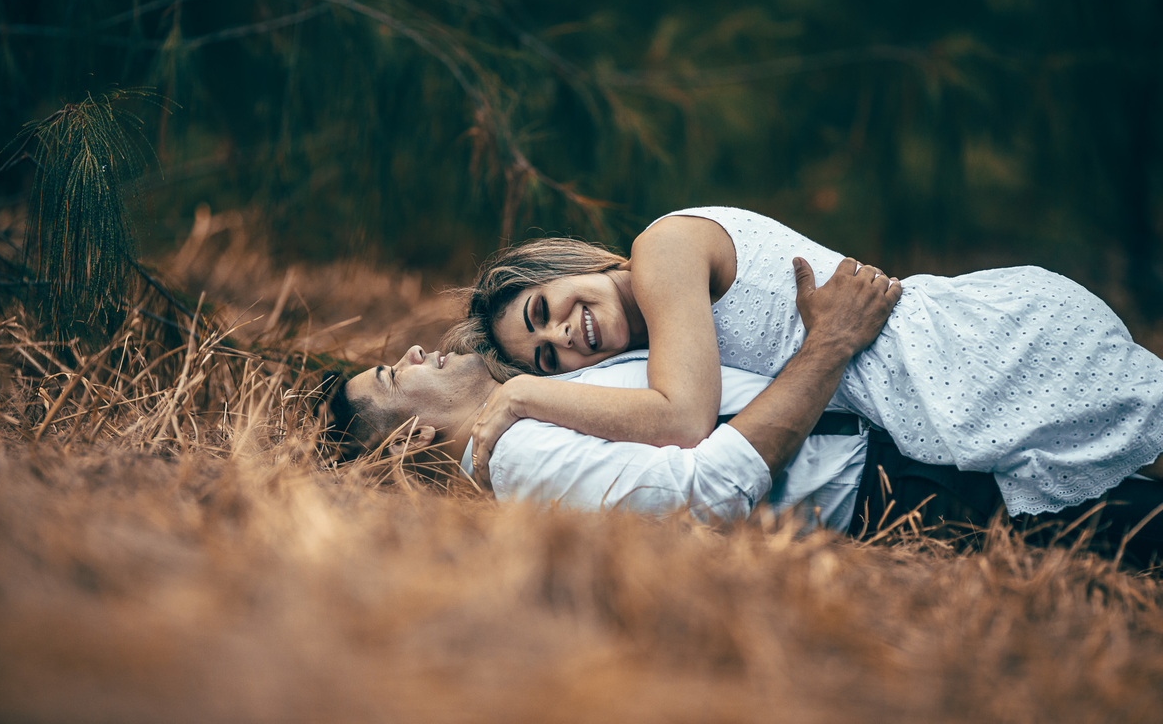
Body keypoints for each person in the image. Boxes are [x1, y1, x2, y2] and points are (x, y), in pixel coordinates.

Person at [326, 259, 1163, 564]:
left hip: (917, 424)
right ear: (409, 447)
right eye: (388, 380)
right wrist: (828, 348)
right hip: (908, 487)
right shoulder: (521, 459)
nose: (404, 356)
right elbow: (707, 490)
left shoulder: (540, 403)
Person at [448, 206, 1163, 519]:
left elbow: (683, 419)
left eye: (546, 308)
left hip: (978, 358)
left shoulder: (660, 252)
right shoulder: (663, 329)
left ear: (573, 266)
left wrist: (521, 398)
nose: (566, 338)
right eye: (545, 357)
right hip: (950, 383)